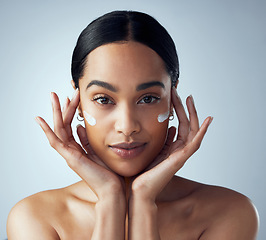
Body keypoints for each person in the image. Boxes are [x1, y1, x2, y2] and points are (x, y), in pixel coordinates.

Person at [7, 10, 258, 240]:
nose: (127, 127)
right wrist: (109, 200)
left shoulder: (229, 213)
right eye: (104, 99)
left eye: (148, 98)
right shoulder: (35, 219)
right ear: (78, 101)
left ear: (172, 98)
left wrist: (144, 203)